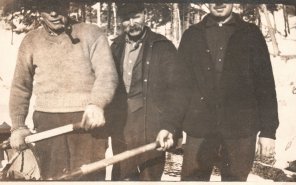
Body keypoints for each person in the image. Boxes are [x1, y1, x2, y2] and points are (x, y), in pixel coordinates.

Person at [8, 0, 118, 180]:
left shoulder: (91, 33)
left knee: (88, 179)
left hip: (87, 122)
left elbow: (107, 75)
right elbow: (21, 86)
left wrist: (97, 104)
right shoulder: (30, 41)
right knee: (53, 178)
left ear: (68, 7)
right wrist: (18, 126)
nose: (53, 14)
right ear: (39, 11)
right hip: (48, 123)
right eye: (47, 8)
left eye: (58, 7)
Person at [178, 3, 279, 181]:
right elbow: (179, 86)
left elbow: (265, 84)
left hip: (240, 129)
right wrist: (174, 127)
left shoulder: (251, 34)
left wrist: (268, 131)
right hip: (199, 128)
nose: (218, 3)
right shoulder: (192, 35)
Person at [108, 3, 188, 181]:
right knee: (121, 175)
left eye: (136, 16)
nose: (132, 23)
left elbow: (177, 91)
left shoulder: (162, 47)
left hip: (152, 126)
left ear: (144, 15)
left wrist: (170, 126)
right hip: (122, 125)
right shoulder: (116, 46)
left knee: (148, 177)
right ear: (120, 20)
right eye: (126, 19)